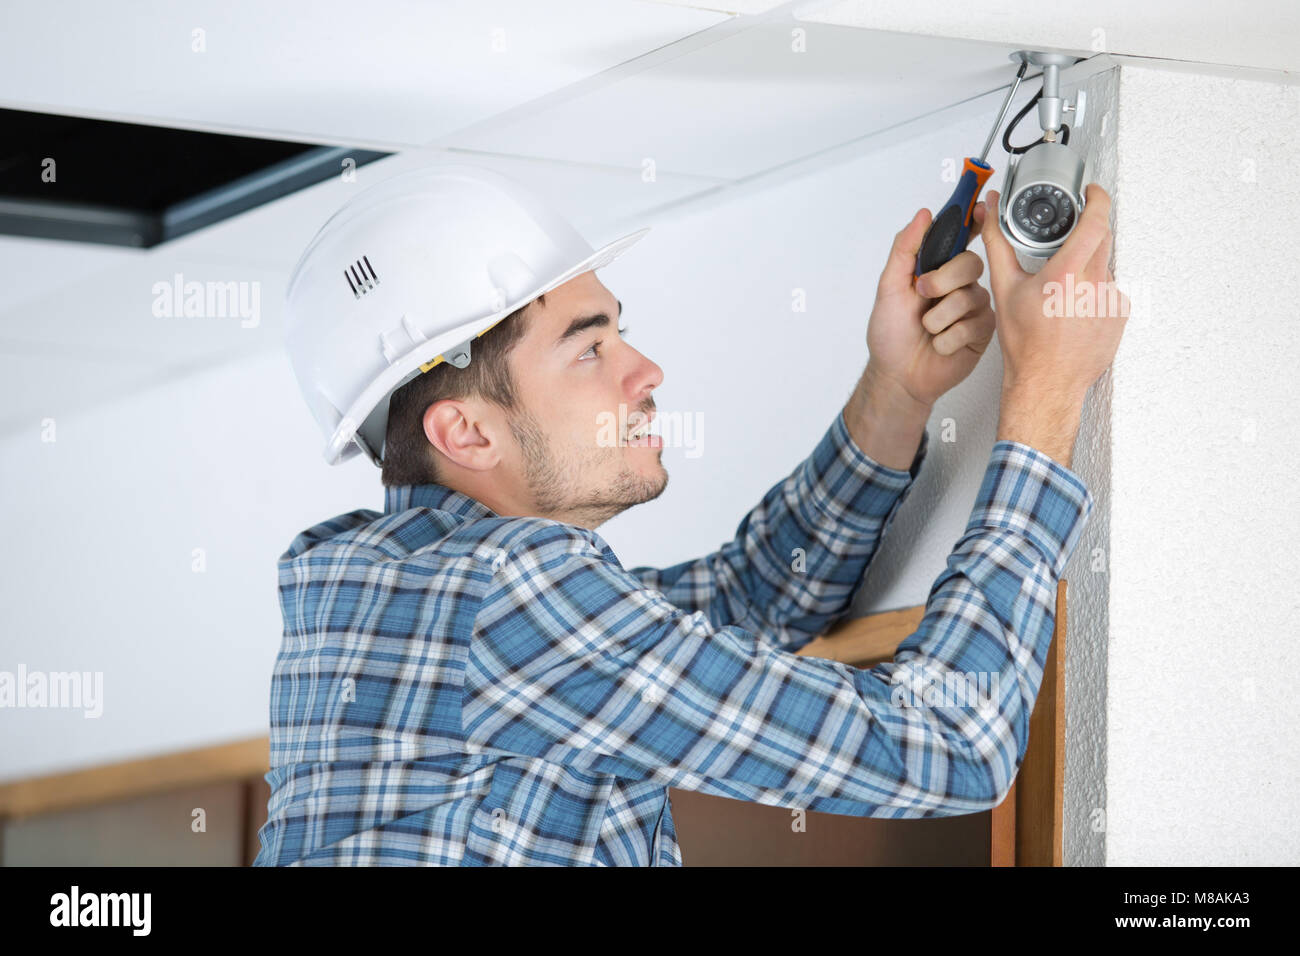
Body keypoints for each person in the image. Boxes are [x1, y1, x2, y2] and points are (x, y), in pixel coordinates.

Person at [254, 165, 1128, 866]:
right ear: (467, 432)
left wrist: (896, 391)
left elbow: (753, 602)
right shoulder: (510, 594)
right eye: (588, 347)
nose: (645, 371)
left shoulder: (382, 587)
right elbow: (949, 743)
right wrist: (1047, 395)